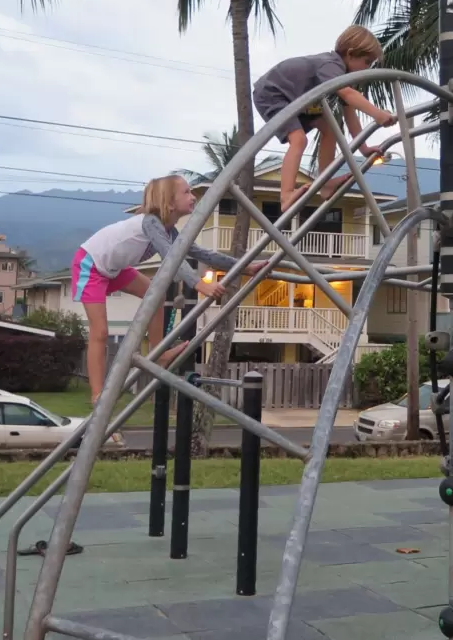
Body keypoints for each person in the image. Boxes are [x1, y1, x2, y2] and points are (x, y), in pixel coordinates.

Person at [73, 174, 264, 404]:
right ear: (170, 203)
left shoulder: (169, 231)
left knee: (156, 295)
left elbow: (202, 254)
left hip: (114, 268)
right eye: (186, 192)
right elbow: (172, 258)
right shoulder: (150, 223)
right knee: (100, 332)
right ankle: (97, 394)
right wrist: (200, 284)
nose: (193, 197)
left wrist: (246, 267)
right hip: (91, 265)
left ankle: (158, 353)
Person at [253, 26, 394, 212]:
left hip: (296, 99)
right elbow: (348, 94)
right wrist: (377, 114)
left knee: (330, 128)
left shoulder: (342, 76)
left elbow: (350, 114)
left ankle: (325, 182)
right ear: (350, 54)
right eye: (366, 62)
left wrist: (364, 148)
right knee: (298, 139)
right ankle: (286, 195)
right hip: (273, 93)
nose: (367, 69)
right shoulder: (331, 65)